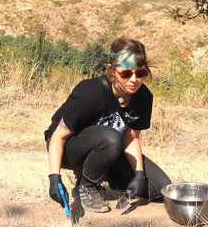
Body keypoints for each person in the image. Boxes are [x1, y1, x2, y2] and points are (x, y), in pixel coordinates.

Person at [44, 37, 171, 213]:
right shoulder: (90, 92)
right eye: (126, 74)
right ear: (111, 70)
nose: (134, 80)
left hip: (110, 147)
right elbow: (58, 137)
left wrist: (139, 174)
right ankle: (86, 186)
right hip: (69, 147)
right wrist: (54, 178)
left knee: (160, 189)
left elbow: (131, 137)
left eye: (141, 73)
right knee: (111, 138)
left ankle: (107, 172)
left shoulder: (143, 97)